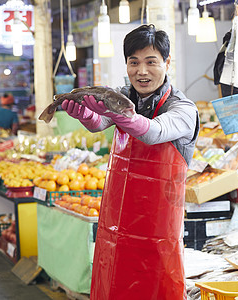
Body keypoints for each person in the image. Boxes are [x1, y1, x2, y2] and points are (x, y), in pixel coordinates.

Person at [61, 24, 199, 299]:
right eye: (134, 62)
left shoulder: (183, 108)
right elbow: (100, 121)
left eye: (151, 62)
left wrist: (124, 116)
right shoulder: (124, 96)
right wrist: (87, 117)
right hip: (117, 226)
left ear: (167, 62)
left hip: (158, 233)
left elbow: (154, 131)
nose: (142, 71)